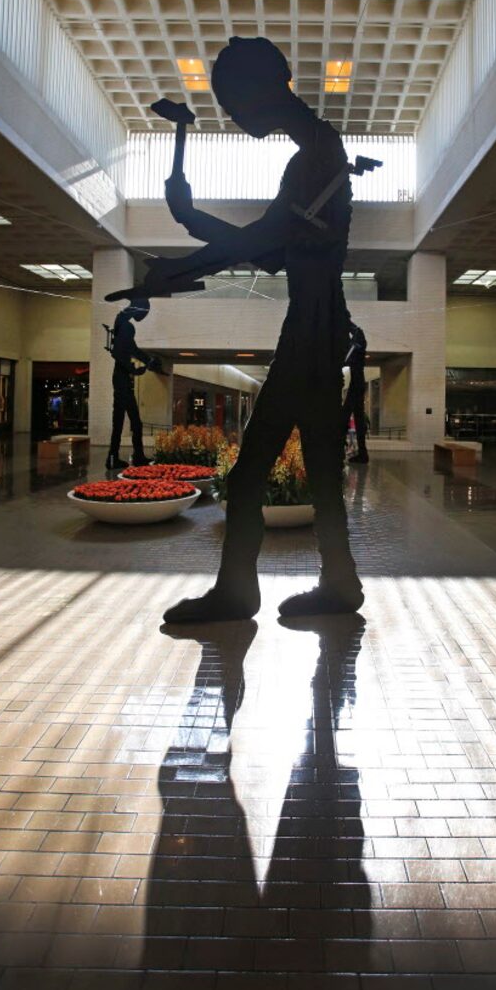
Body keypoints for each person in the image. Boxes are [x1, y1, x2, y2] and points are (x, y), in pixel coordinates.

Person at [109, 37, 363, 623]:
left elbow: (257, 244)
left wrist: (185, 242)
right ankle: (340, 581)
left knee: (249, 475)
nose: (234, 118)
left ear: (261, 92)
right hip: (316, 330)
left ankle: (238, 592)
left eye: (234, 104)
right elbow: (270, 250)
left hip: (311, 334)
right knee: (321, 468)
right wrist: (189, 221)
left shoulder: (317, 157)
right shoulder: (317, 151)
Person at [106, 297, 156, 470]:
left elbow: (132, 349)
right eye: (144, 313)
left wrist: (147, 360)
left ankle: (117, 457)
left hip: (121, 378)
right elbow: (120, 353)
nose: (143, 317)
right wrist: (136, 370)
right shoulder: (126, 326)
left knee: (125, 420)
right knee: (128, 420)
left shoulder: (122, 322)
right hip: (122, 378)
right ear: (138, 309)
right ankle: (133, 456)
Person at [342, 323, 369, 463]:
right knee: (358, 419)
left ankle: (338, 450)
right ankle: (363, 454)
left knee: (344, 416)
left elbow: (346, 359)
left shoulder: (358, 344)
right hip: (357, 384)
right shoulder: (355, 345)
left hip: (357, 385)